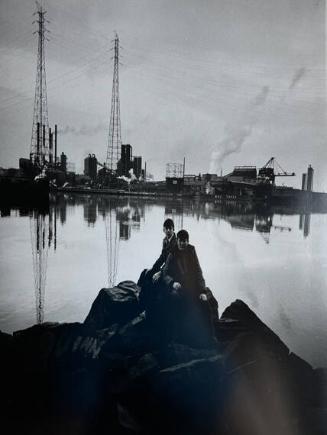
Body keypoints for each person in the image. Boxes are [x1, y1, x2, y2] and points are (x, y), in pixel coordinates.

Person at [162, 229, 216, 345]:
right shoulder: (172, 253)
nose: (183, 244)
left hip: (193, 287)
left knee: (205, 304)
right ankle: (178, 338)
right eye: (181, 241)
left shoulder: (191, 250)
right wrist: (172, 283)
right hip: (180, 286)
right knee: (177, 303)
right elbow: (165, 273)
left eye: (185, 241)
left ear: (188, 241)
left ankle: (211, 336)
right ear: (178, 241)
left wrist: (202, 291)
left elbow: (198, 271)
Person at [150, 218, 177, 283]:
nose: (168, 231)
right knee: (147, 273)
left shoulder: (176, 243)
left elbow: (171, 263)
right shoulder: (165, 240)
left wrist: (160, 273)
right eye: (166, 229)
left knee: (157, 279)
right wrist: (153, 268)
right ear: (163, 230)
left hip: (172, 270)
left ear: (173, 229)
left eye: (170, 228)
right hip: (166, 268)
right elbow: (162, 257)